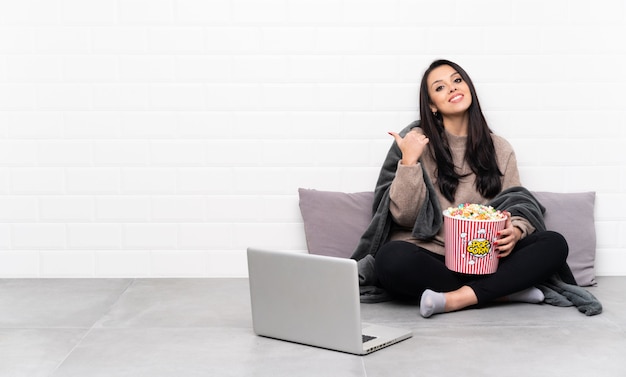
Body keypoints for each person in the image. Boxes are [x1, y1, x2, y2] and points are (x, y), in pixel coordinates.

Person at [357, 59, 573, 318]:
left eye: (457, 80)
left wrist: (516, 230)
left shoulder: (499, 148)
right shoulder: (415, 144)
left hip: (486, 257)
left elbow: (517, 201)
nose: (451, 88)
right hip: (432, 257)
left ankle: (457, 298)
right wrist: (409, 162)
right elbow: (404, 217)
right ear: (432, 106)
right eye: (440, 87)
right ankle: (503, 292)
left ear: (468, 87)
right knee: (390, 259)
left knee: (554, 244)